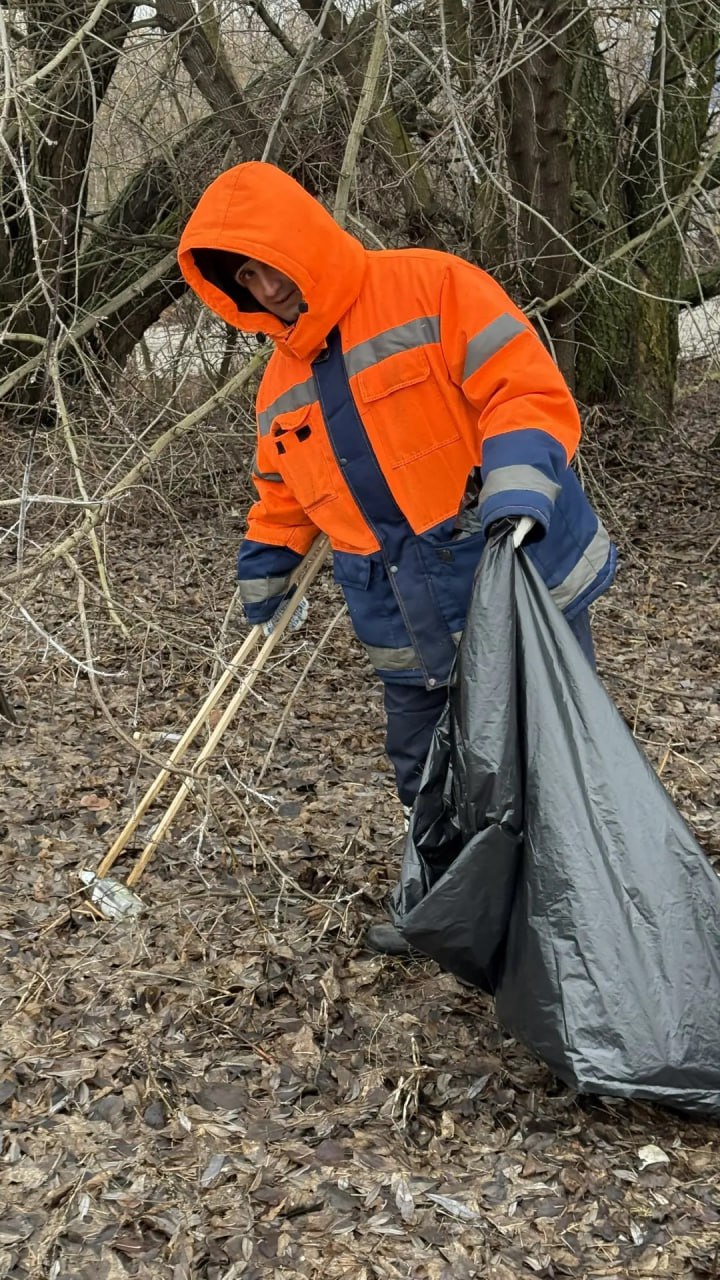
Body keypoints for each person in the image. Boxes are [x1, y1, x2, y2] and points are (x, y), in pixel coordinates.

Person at [178, 161, 616, 954]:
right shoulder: (279, 383)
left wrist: (517, 493)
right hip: (397, 605)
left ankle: (578, 916)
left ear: (300, 241)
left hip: (508, 569)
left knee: (548, 742)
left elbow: (522, 390)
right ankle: (453, 911)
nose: (266, 287)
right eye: (245, 277)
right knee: (422, 761)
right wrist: (265, 566)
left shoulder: (430, 286)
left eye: (268, 263)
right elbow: (281, 491)